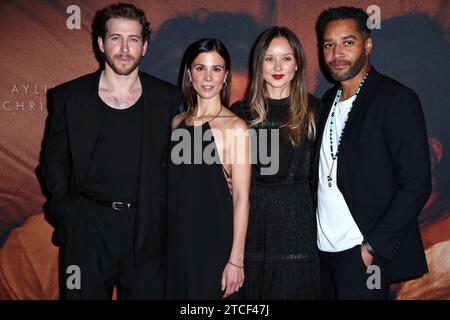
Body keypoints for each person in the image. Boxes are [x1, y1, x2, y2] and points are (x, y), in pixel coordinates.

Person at [40, 2, 181, 299]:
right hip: (88, 228)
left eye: (133, 39)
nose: (125, 48)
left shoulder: (168, 99)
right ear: (101, 43)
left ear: (144, 47)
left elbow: (183, 164)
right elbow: (54, 162)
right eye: (116, 38)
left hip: (147, 229)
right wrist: (68, 214)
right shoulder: (69, 97)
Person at [313, 6, 431, 299]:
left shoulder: (395, 99)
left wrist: (371, 249)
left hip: (362, 257)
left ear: (367, 44)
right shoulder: (327, 100)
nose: (337, 53)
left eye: (347, 42)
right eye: (329, 44)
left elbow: (416, 184)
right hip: (322, 254)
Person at [232, 26, 321, 299]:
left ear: (297, 64)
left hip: (299, 221)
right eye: (270, 59)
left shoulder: (315, 109)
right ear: (259, 64)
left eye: (286, 58)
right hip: (254, 222)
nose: (278, 66)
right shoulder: (240, 112)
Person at [166, 38, 251, 299]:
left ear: (225, 76)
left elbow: (241, 198)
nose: (208, 76)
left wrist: (236, 259)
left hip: (214, 246)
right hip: (176, 244)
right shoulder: (176, 123)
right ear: (189, 73)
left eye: (216, 69)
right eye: (200, 68)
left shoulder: (236, 128)